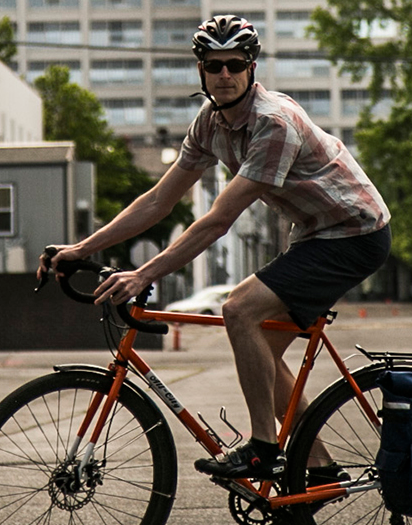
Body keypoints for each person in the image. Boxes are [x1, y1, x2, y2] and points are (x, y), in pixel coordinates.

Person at [38, 15, 390, 481]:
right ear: (200, 70)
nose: (224, 74)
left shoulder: (273, 123)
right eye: (214, 65)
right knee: (263, 350)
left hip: (353, 233)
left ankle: (263, 448)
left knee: (239, 309)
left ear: (251, 68)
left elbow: (218, 220)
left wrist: (144, 274)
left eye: (234, 64)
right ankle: (319, 467)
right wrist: (81, 248)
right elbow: (159, 200)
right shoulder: (210, 123)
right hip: (313, 234)